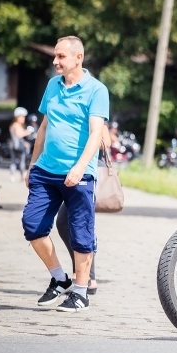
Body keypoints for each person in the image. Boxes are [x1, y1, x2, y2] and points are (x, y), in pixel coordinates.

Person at [22, 35, 109, 313]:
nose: (55, 61)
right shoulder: (52, 85)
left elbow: (96, 134)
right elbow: (44, 127)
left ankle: (81, 292)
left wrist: (80, 166)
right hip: (46, 170)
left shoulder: (96, 90)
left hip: (79, 174)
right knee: (33, 226)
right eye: (55, 55)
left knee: (81, 233)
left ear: (78, 58)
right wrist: (32, 164)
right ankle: (60, 278)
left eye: (61, 56)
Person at [55, 124, 112, 296]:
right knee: (65, 223)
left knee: (81, 226)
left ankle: (89, 278)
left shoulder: (95, 117)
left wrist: (85, 140)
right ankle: (81, 272)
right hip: (72, 174)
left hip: (89, 174)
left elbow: (106, 142)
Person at [9, 107, 31, 181]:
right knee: (20, 161)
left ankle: (15, 175)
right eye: (21, 117)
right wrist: (27, 132)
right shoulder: (16, 125)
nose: (23, 118)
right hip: (18, 146)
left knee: (13, 161)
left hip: (13, 145)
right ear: (17, 117)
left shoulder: (14, 125)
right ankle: (19, 175)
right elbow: (19, 135)